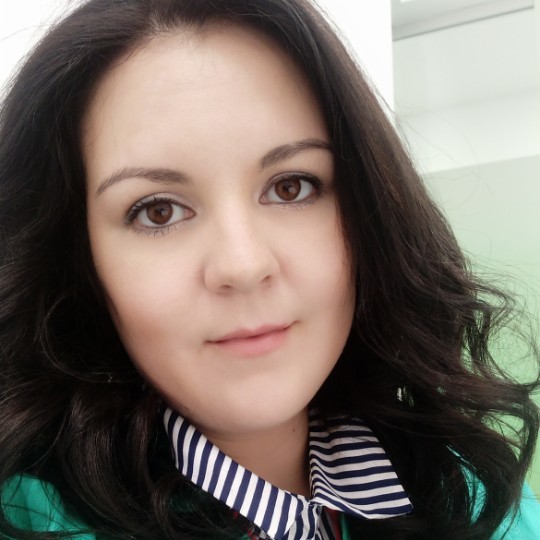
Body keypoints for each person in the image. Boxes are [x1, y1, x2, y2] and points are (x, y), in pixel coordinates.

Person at [0, 0, 538, 538]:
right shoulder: (25, 516)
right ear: (78, 260)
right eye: (158, 210)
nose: (244, 264)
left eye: (291, 187)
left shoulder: (477, 495)